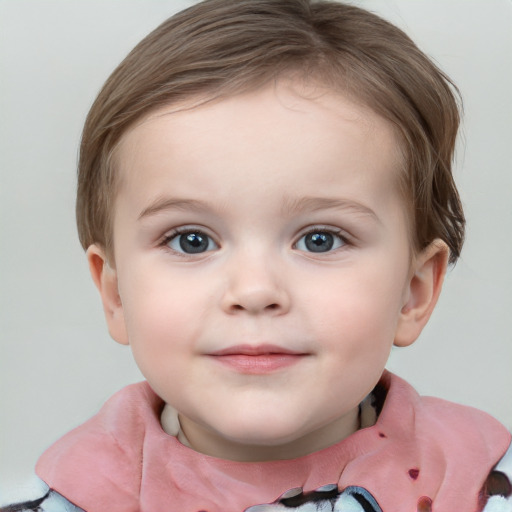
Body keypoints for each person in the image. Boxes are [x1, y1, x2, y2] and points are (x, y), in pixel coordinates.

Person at [2, 0, 511, 511]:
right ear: (114, 294)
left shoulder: (479, 485)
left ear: (414, 292)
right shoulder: (71, 496)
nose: (254, 291)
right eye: (191, 240)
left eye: (321, 239)